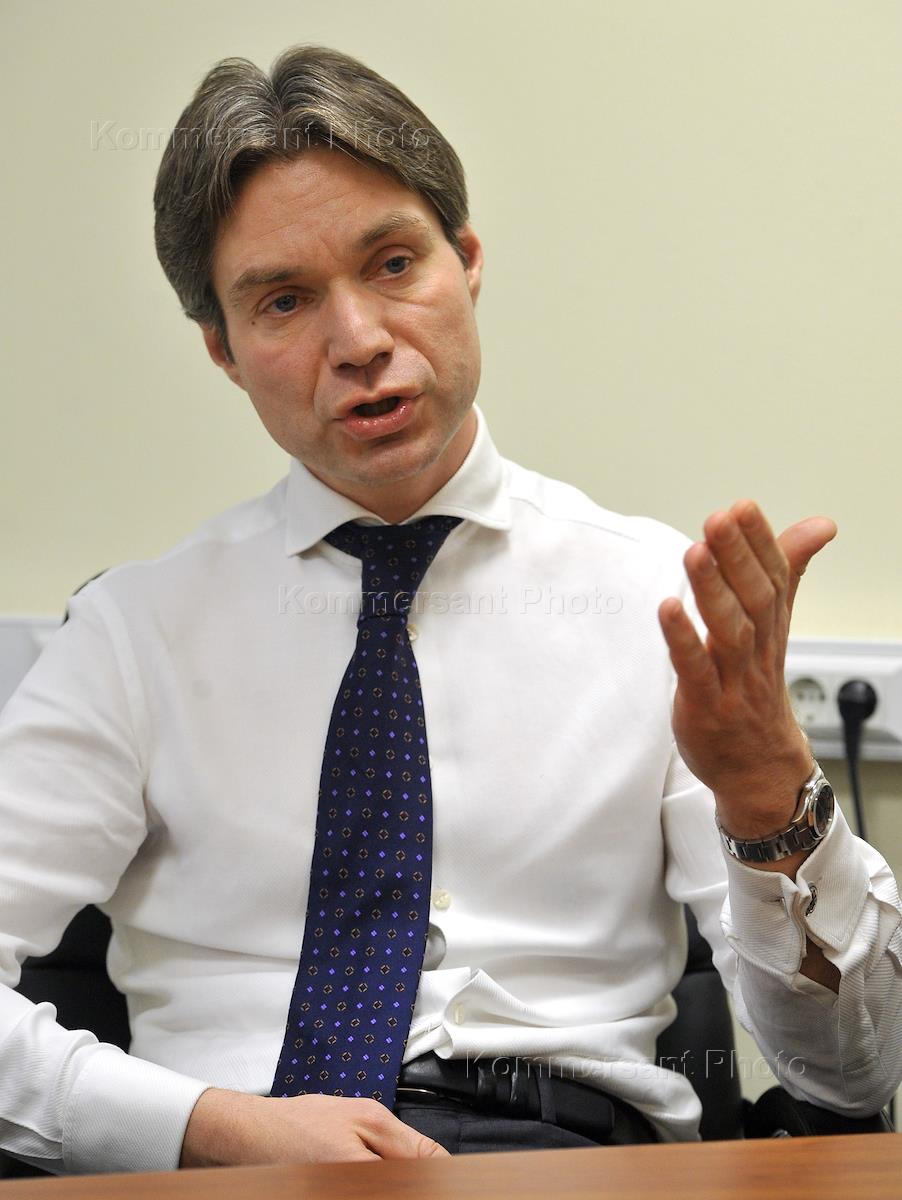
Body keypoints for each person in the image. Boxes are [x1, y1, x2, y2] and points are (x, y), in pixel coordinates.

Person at [0, 44, 899, 1176]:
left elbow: (851, 1075)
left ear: (465, 262)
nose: (359, 341)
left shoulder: (657, 604)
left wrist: (768, 794)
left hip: (563, 1158)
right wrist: (201, 1126)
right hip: (231, 1166)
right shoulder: (133, 636)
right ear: (223, 351)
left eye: (392, 264)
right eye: (284, 301)